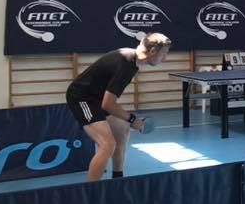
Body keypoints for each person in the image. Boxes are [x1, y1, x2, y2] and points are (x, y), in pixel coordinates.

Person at [66, 33, 171, 181]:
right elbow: (108, 104)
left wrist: (130, 121)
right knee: (107, 144)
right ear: (153, 51)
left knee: (121, 129)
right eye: (164, 54)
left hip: (98, 97)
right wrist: (133, 120)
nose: (164, 59)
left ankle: (117, 180)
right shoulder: (126, 65)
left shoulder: (132, 59)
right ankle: (90, 190)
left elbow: (107, 102)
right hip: (82, 98)